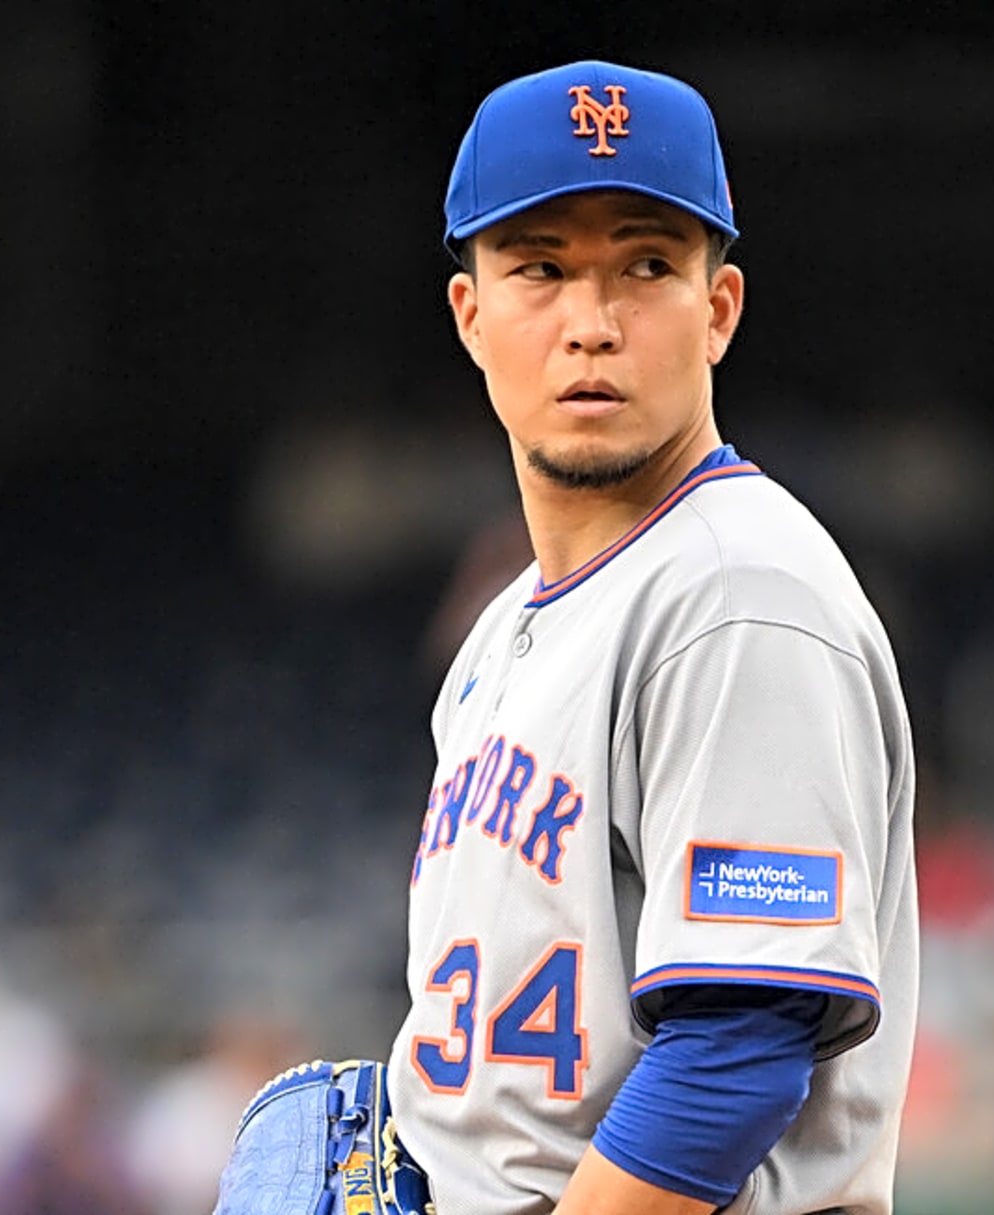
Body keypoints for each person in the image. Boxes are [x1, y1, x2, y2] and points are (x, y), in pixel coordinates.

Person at [387, 60, 919, 1215]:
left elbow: (736, 1057)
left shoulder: (739, 593)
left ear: (717, 309)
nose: (591, 325)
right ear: (470, 316)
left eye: (645, 266)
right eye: (540, 269)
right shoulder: (498, 634)